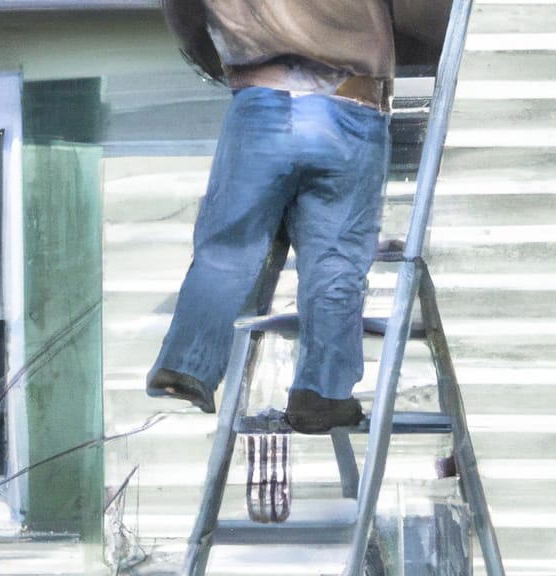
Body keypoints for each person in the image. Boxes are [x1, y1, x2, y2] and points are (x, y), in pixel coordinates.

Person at [147, 0, 396, 434]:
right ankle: (321, 394)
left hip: (261, 98)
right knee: (336, 260)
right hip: (353, 102)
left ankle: (188, 367)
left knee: (229, 246)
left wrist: (211, 56)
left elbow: (183, 9)